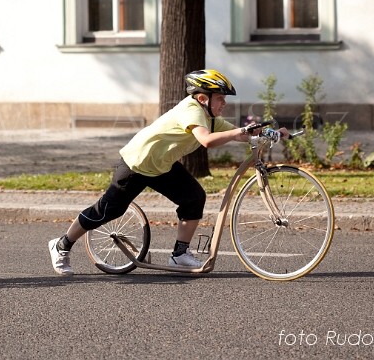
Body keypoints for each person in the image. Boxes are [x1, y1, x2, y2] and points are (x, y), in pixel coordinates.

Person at [48, 69, 289, 276]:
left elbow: (239, 133)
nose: (224, 103)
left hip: (162, 165)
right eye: (220, 99)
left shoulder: (210, 116)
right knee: (108, 211)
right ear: (203, 97)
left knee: (194, 197)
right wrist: (240, 133)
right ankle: (62, 244)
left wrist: (272, 133)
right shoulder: (192, 110)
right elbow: (206, 141)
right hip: (139, 163)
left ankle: (180, 254)